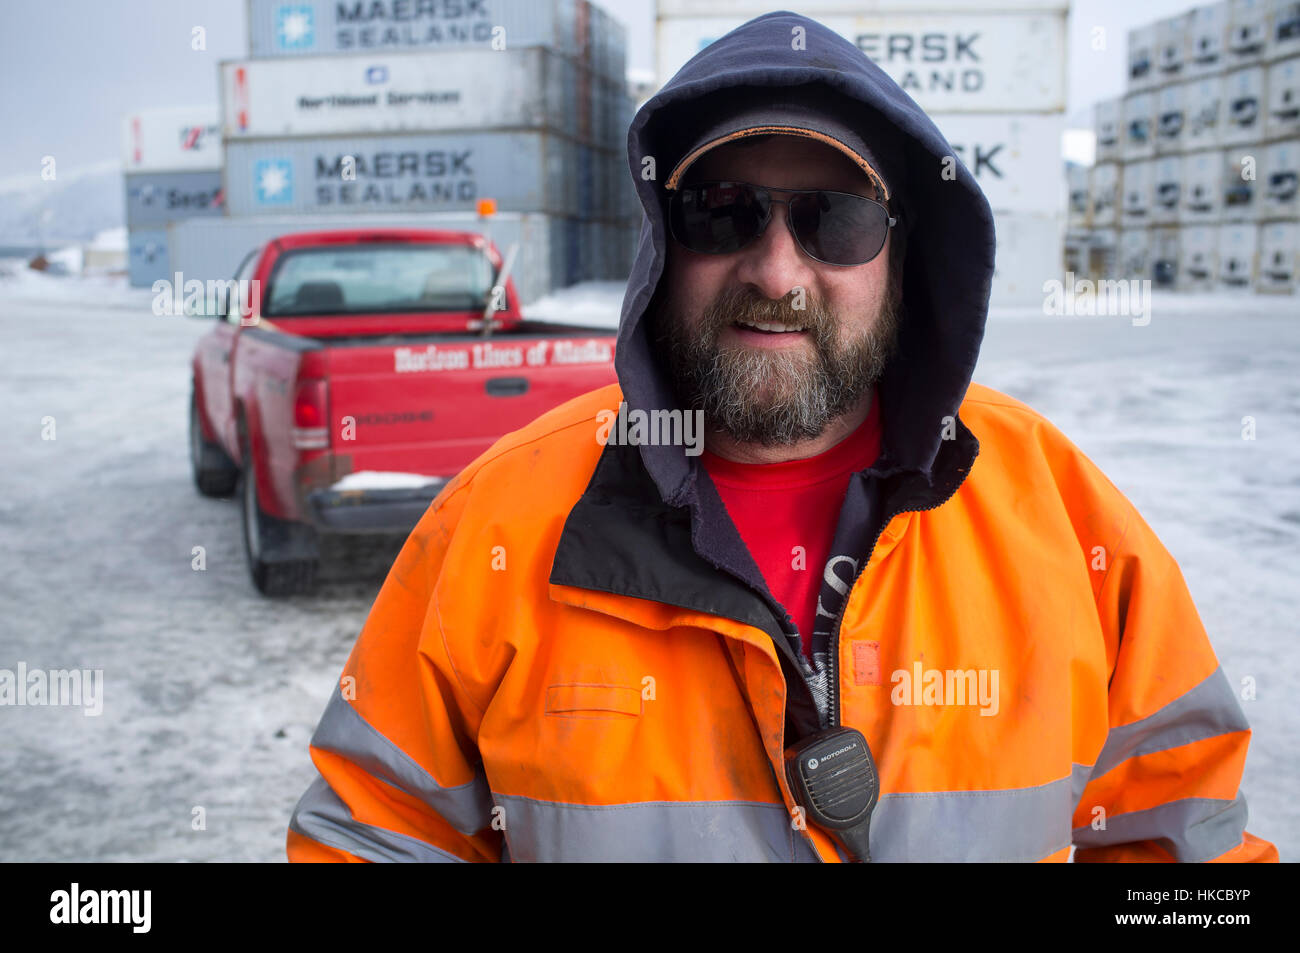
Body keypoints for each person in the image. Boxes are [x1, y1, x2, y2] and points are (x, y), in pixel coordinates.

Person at [286, 11, 1278, 863]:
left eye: (832, 220)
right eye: (723, 212)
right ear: (659, 246)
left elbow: (1183, 838)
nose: (775, 270)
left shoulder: (1060, 513)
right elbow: (373, 834)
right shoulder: (498, 521)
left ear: (903, 251)